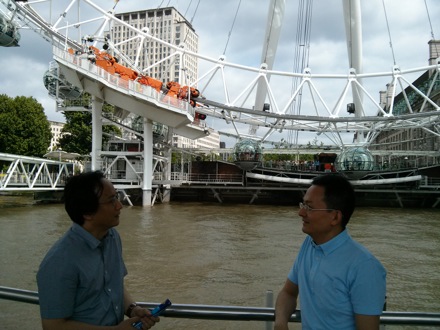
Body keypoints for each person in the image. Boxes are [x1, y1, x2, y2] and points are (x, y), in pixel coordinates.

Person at [37, 171, 159, 330]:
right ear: (87, 212)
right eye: (111, 200)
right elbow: (53, 325)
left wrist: (132, 309)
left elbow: (114, 285)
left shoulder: (112, 237)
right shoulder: (59, 261)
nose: (119, 205)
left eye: (117, 197)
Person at [274, 174, 386, 330]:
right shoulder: (309, 245)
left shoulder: (365, 267)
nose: (301, 213)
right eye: (303, 205)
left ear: (334, 217)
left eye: (309, 207)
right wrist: (280, 323)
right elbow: (288, 293)